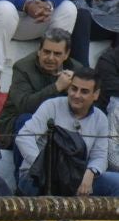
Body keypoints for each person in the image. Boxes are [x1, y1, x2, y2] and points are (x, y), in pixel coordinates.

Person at [16, 66, 118, 195]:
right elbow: (24, 136)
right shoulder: (51, 106)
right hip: (40, 177)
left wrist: (91, 172)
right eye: (74, 89)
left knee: (116, 183)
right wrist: (43, 166)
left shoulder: (100, 118)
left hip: (76, 178)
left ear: (96, 95)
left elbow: (100, 156)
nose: (76, 95)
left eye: (84, 91)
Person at [0, 29, 82, 148]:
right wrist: (56, 87)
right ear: (39, 51)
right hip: (17, 122)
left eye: (57, 54)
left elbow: (88, 106)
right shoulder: (23, 67)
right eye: (46, 52)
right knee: (28, 121)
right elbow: (24, 106)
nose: (50, 58)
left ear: (66, 54)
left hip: (58, 122)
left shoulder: (76, 70)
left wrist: (74, 90)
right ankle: (25, 167)